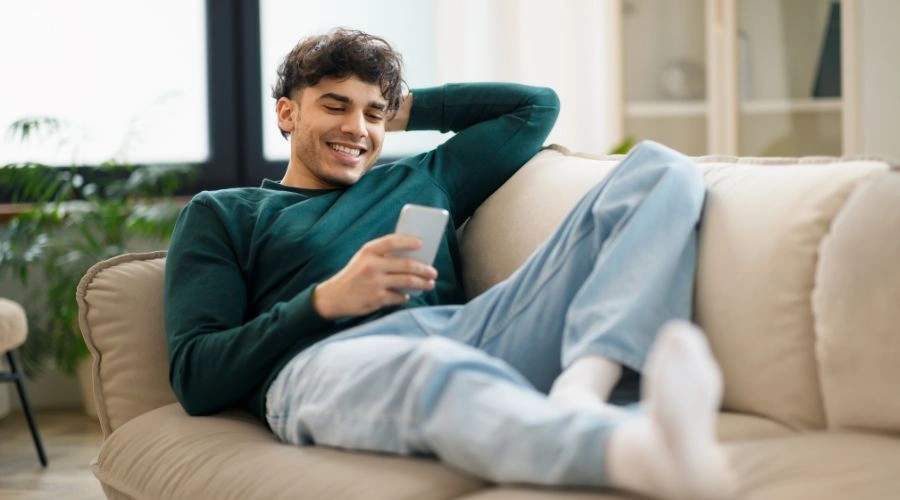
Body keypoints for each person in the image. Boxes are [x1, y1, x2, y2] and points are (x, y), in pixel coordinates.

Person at [164, 28, 734, 499]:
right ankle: (624, 449)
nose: (356, 129)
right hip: (323, 362)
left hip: (468, 331)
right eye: (335, 106)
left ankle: (585, 386)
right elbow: (196, 374)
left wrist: (397, 106)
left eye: (373, 114)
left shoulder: (425, 176)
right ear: (286, 113)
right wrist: (323, 302)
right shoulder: (227, 212)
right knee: (431, 365)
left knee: (663, 170)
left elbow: (535, 107)